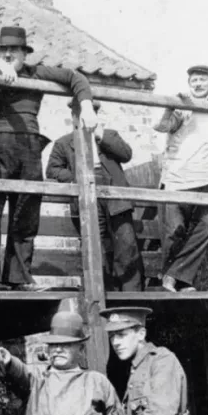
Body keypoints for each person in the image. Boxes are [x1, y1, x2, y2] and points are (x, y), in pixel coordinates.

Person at [0, 26, 97, 293]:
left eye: (13, 50)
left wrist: (85, 103)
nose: (7, 54)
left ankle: (19, 277)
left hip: (28, 148)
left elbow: (75, 77)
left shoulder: (35, 73)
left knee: (25, 214)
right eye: (2, 50)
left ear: (24, 54)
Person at [46, 101, 144, 291]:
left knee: (126, 242)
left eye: (91, 113)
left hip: (115, 194)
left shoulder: (109, 135)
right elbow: (52, 169)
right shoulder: (64, 142)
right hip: (86, 194)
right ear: (74, 116)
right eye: (79, 114)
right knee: (93, 244)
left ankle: (131, 293)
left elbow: (126, 154)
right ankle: (100, 292)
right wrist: (77, 177)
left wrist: (101, 135)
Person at [154, 65, 208, 293]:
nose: (197, 84)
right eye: (194, 80)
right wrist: (172, 106)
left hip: (206, 179)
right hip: (178, 178)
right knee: (174, 229)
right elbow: (162, 126)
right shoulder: (183, 107)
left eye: (202, 80)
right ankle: (170, 280)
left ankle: (178, 278)